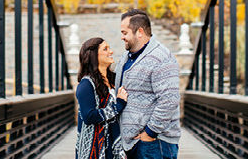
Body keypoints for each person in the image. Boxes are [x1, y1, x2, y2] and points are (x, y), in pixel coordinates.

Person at [114, 9, 180, 159]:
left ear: (139, 32)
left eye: (125, 33)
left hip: (155, 144)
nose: (121, 37)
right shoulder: (126, 57)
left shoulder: (161, 57)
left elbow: (170, 100)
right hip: (132, 144)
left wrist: (150, 133)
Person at [76, 37, 129, 159]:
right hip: (94, 148)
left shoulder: (114, 79)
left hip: (114, 141)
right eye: (105, 49)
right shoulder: (86, 84)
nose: (111, 51)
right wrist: (118, 106)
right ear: (93, 55)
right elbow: (89, 116)